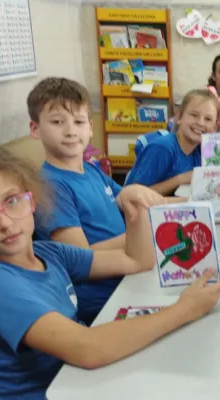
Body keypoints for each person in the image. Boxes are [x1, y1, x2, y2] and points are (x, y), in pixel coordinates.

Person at [0, 144, 220, 399]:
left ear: (31, 199)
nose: (5, 222)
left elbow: (136, 262)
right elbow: (87, 349)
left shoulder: (47, 252)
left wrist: (135, 210)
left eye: (12, 201)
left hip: (77, 382)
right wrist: (185, 310)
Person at [25, 77, 188, 324]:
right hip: (103, 299)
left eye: (79, 122)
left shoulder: (90, 170)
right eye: (57, 122)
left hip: (131, 274)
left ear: (90, 127)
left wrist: (197, 206)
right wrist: (141, 236)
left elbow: (142, 200)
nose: (70, 131)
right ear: (35, 129)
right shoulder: (51, 186)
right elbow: (79, 256)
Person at [125, 88, 220, 195]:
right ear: (179, 116)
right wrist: (180, 180)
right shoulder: (163, 148)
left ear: (215, 127)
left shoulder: (205, 149)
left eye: (208, 119)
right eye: (194, 115)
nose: (200, 123)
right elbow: (134, 195)